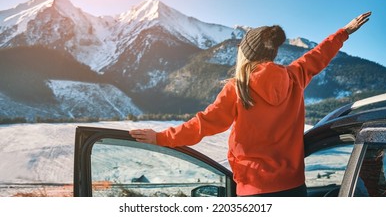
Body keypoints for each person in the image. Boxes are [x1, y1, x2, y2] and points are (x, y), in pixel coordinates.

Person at [130, 11, 372, 197]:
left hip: (254, 191)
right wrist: (345, 32)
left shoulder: (238, 88)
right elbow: (318, 56)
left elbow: (201, 125)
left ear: (246, 54)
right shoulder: (295, 76)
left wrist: (161, 138)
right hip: (295, 188)